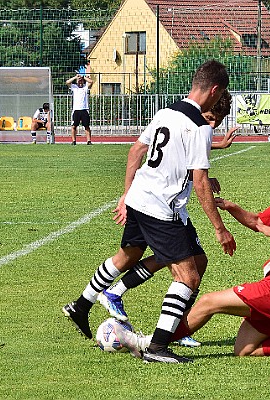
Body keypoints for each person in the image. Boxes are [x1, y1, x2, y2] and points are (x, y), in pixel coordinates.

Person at [63, 60, 237, 363]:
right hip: (161, 208)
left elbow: (136, 152)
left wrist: (125, 195)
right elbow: (198, 183)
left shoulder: (166, 112)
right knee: (188, 277)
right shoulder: (199, 126)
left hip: (140, 197)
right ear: (215, 90)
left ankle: (81, 305)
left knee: (130, 256)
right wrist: (220, 229)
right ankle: (158, 347)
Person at [115, 149, 270, 360]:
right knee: (244, 350)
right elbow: (259, 221)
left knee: (208, 302)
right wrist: (230, 207)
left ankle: (149, 343)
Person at [96, 89, 239, 349]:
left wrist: (213, 158)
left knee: (193, 261)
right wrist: (219, 227)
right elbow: (162, 154)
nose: (211, 125)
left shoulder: (183, 121)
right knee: (182, 269)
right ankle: (163, 334)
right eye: (209, 118)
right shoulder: (192, 124)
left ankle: (175, 324)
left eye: (216, 122)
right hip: (163, 207)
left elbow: (184, 155)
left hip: (166, 205)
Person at [66, 73, 93, 145]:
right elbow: (67, 82)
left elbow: (91, 82)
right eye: (79, 81)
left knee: (86, 126)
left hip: (84, 109)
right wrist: (76, 77)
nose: (80, 82)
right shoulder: (74, 87)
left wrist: (83, 77)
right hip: (76, 110)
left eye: (81, 81)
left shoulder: (85, 87)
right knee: (74, 126)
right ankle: (74, 141)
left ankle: (89, 141)